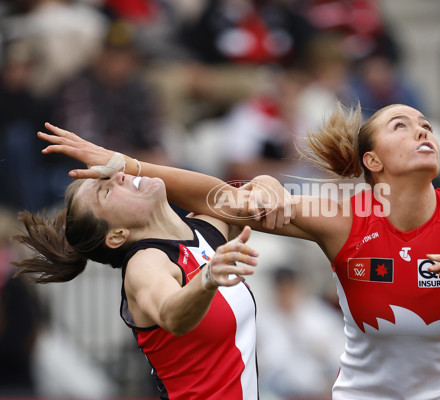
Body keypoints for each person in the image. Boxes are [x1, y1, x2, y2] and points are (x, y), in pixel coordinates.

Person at [35, 101, 440, 400]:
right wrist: (263, 187)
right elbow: (225, 197)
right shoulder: (344, 213)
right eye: (402, 125)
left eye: (425, 124)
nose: (423, 130)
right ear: (372, 162)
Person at [11, 134, 294, 399]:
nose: (120, 177)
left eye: (111, 176)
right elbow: (171, 314)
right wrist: (207, 279)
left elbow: (231, 198)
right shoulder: (144, 264)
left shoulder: (205, 231)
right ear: (117, 235)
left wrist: (265, 181)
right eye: (106, 192)